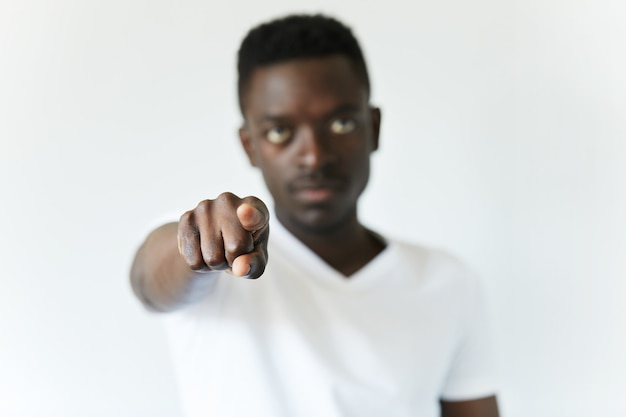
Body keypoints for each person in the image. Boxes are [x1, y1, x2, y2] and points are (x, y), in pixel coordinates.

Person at [130, 14, 499, 417]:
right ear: (249, 145)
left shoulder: (448, 282)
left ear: (373, 128)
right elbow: (153, 278)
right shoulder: (216, 260)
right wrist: (199, 250)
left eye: (341, 123)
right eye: (278, 132)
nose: (314, 156)